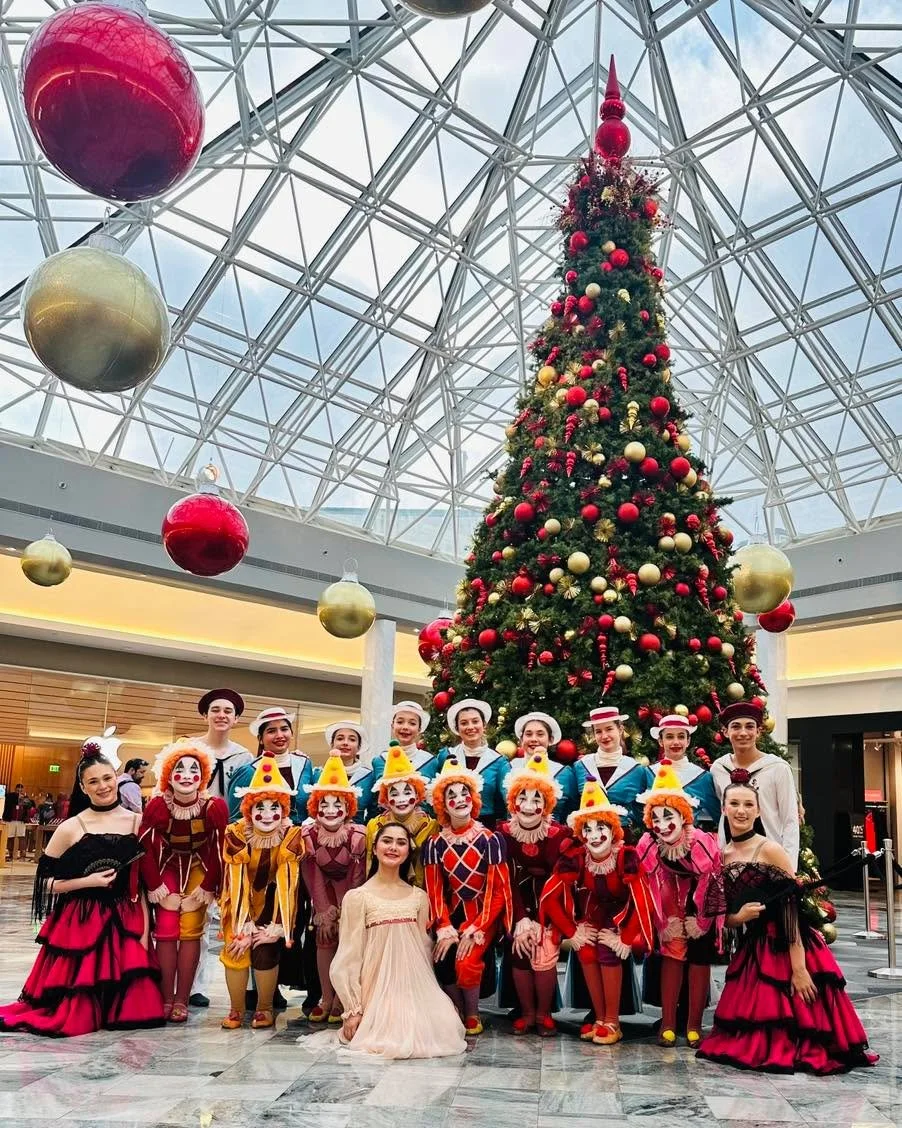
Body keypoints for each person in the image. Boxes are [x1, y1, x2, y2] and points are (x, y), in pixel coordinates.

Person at [697, 771, 878, 1074]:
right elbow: (720, 914)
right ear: (725, 808)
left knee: (799, 1014)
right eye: (734, 804)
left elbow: (791, 905)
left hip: (788, 941)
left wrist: (799, 968)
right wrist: (737, 918)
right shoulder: (723, 855)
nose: (741, 811)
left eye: (747, 805)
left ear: (757, 810)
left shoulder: (769, 848)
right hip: (753, 948)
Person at [0, 741, 164, 1036]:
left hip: (125, 919)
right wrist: (86, 882)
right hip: (80, 920)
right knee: (75, 1005)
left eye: (106, 778)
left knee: (138, 1007)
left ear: (116, 777)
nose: (102, 786)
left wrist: (144, 932)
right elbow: (44, 884)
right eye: (93, 781)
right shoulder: (71, 827)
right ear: (83, 787)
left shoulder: (139, 822)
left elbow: (139, 885)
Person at [329, 822, 467, 1059]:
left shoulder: (419, 897)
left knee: (437, 1029)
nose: (393, 847)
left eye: (401, 843)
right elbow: (348, 956)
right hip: (376, 988)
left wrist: (435, 997)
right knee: (385, 1037)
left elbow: (423, 950)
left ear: (408, 852)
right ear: (375, 847)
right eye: (387, 841)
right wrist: (352, 1009)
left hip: (413, 986)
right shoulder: (357, 897)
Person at [541, 779, 654, 1046]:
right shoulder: (577, 857)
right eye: (587, 829)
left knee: (607, 950)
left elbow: (643, 901)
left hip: (623, 920)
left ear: (613, 829)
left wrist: (625, 937)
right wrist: (573, 931)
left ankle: (613, 1021)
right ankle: (601, 1018)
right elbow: (550, 897)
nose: (594, 835)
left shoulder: (626, 856)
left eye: (600, 827)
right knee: (587, 949)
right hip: (591, 919)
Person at [139, 741, 228, 1023]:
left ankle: (182, 1000)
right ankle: (165, 998)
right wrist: (156, 887)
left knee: (191, 929)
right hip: (166, 867)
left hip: (200, 869)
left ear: (203, 775)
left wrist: (206, 888)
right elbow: (144, 847)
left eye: (194, 769)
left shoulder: (214, 807)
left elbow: (220, 848)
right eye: (180, 769)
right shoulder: (156, 805)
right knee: (165, 929)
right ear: (168, 774)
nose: (187, 775)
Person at [636, 760, 722, 1048]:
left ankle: (694, 1024)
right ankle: (669, 1022)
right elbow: (648, 883)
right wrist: (663, 921)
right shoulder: (648, 844)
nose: (662, 825)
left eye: (668, 816)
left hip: (702, 905)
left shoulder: (700, 842)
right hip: (670, 903)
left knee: (699, 957)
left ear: (683, 815)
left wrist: (701, 920)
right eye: (656, 819)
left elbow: (711, 881)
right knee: (671, 953)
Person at [423, 757, 512, 1036]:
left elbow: (499, 890)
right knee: (442, 953)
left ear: (473, 798)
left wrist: (478, 926)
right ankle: (455, 1010)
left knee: (467, 958)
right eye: (452, 795)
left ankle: (473, 1014)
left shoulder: (491, 839)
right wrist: (443, 926)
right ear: (442, 803)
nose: (459, 799)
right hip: (453, 913)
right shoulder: (435, 843)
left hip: (485, 913)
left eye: (464, 793)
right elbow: (434, 889)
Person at [219, 756, 306, 1030]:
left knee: (265, 949)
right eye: (260, 807)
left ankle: (264, 1008)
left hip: (274, 902)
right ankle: (235, 1009)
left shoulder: (292, 834)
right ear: (248, 809)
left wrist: (279, 925)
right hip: (239, 900)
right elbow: (235, 880)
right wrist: (243, 922)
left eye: (274, 807)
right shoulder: (235, 833)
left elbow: (287, 882)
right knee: (235, 946)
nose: (267, 815)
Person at [497, 749, 573, 1036]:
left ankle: (544, 1014)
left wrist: (542, 921)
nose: (529, 805)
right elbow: (504, 879)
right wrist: (520, 919)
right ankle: (527, 1013)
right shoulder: (502, 833)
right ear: (513, 801)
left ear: (547, 803)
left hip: (550, 904)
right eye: (522, 798)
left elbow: (560, 882)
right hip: (515, 902)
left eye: (536, 798)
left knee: (544, 948)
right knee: (519, 948)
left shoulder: (560, 835)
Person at [301, 756, 367, 1024]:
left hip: (349, 894)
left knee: (347, 941)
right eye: (323, 804)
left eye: (336, 804)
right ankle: (325, 998)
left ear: (347, 807)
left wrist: (344, 913)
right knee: (323, 938)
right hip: (323, 894)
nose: (329, 810)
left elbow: (357, 877)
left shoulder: (357, 836)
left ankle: (343, 998)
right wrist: (323, 911)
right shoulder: (307, 836)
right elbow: (311, 874)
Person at [710, 702, 800, 870]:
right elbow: (722, 812)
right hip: (730, 860)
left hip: (769, 860)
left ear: (758, 732)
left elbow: (790, 820)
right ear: (725, 732)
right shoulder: (718, 768)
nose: (743, 733)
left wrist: (788, 868)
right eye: (736, 726)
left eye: (750, 726)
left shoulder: (777, 768)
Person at [366, 741, 437, 888]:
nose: (401, 799)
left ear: (417, 796)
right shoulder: (375, 826)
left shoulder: (430, 826)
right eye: (394, 793)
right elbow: (369, 864)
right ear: (386, 799)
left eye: (407, 792)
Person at [573, 706, 653, 834]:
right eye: (598, 731)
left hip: (622, 837)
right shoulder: (580, 766)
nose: (604, 736)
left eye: (609, 729)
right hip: (589, 838)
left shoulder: (637, 770)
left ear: (620, 729)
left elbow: (643, 813)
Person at [228, 707, 314, 823]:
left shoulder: (305, 764)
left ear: (292, 733)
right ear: (260, 739)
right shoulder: (248, 771)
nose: (279, 735)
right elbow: (235, 818)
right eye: (271, 731)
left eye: (284, 729)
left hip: (302, 838)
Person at [436, 698, 510, 827]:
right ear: (457, 728)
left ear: (484, 725)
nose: (470, 727)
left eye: (475, 721)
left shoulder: (499, 762)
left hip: (486, 826)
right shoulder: (446, 756)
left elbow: (508, 799)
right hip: (451, 825)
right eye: (464, 723)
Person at [650, 715, 719, 830]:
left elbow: (718, 815)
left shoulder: (702, 777)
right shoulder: (648, 773)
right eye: (669, 737)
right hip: (655, 843)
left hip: (690, 843)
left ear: (688, 741)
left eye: (681, 737)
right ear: (661, 741)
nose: (676, 742)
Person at [514, 711, 579, 823]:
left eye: (540, 734)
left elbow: (572, 809)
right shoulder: (509, 768)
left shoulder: (564, 773)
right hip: (512, 835)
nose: (534, 739)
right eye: (528, 734)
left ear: (550, 740)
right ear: (521, 740)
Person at [193, 689, 253, 800]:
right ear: (205, 716)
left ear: (236, 718)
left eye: (228, 711)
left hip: (230, 816)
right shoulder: (189, 748)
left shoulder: (244, 757)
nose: (221, 715)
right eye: (215, 710)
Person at [370, 701, 439, 786]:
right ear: (392, 726)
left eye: (412, 723)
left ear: (419, 729)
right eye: (400, 722)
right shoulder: (380, 761)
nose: (405, 727)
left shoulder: (431, 762)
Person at [321, 720, 375, 824]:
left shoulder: (369, 776)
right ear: (332, 744)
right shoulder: (319, 774)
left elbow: (373, 812)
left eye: (352, 739)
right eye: (340, 738)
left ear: (359, 746)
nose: (345, 743)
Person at [3, 784, 27, 861]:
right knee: (10, 837)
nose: (19, 792)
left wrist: (22, 799)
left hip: (21, 821)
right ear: (15, 789)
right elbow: (9, 800)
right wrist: (17, 796)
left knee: (22, 837)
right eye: (18, 790)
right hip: (11, 820)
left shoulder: (25, 798)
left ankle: (22, 855)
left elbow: (28, 805)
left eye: (21, 791)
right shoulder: (10, 796)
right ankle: (10, 855)